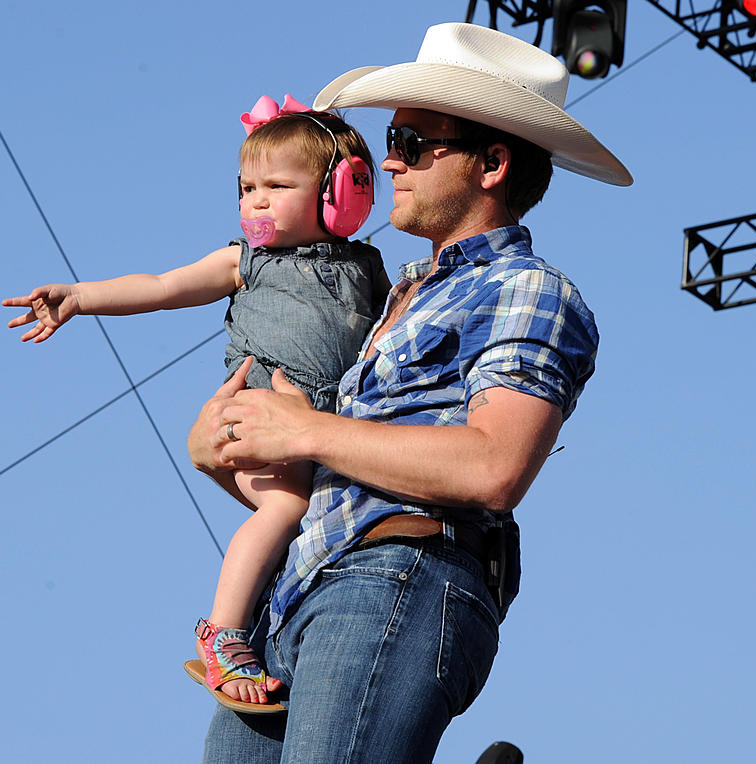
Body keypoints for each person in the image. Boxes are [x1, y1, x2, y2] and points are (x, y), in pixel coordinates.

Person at [187, 22, 632, 763]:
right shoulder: (395, 296)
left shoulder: (529, 290)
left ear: (492, 163)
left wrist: (302, 431)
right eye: (393, 138)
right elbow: (338, 482)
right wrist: (225, 450)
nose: (387, 159)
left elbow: (494, 468)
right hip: (298, 596)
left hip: (397, 579)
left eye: (413, 143)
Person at [1, 96, 389, 712]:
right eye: (247, 187)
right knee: (284, 508)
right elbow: (161, 287)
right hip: (255, 418)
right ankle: (224, 633)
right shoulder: (245, 261)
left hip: (317, 429)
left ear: (341, 193)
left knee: (311, 517)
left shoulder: (368, 268)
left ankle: (273, 629)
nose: (256, 200)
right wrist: (80, 295)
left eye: (277, 186)